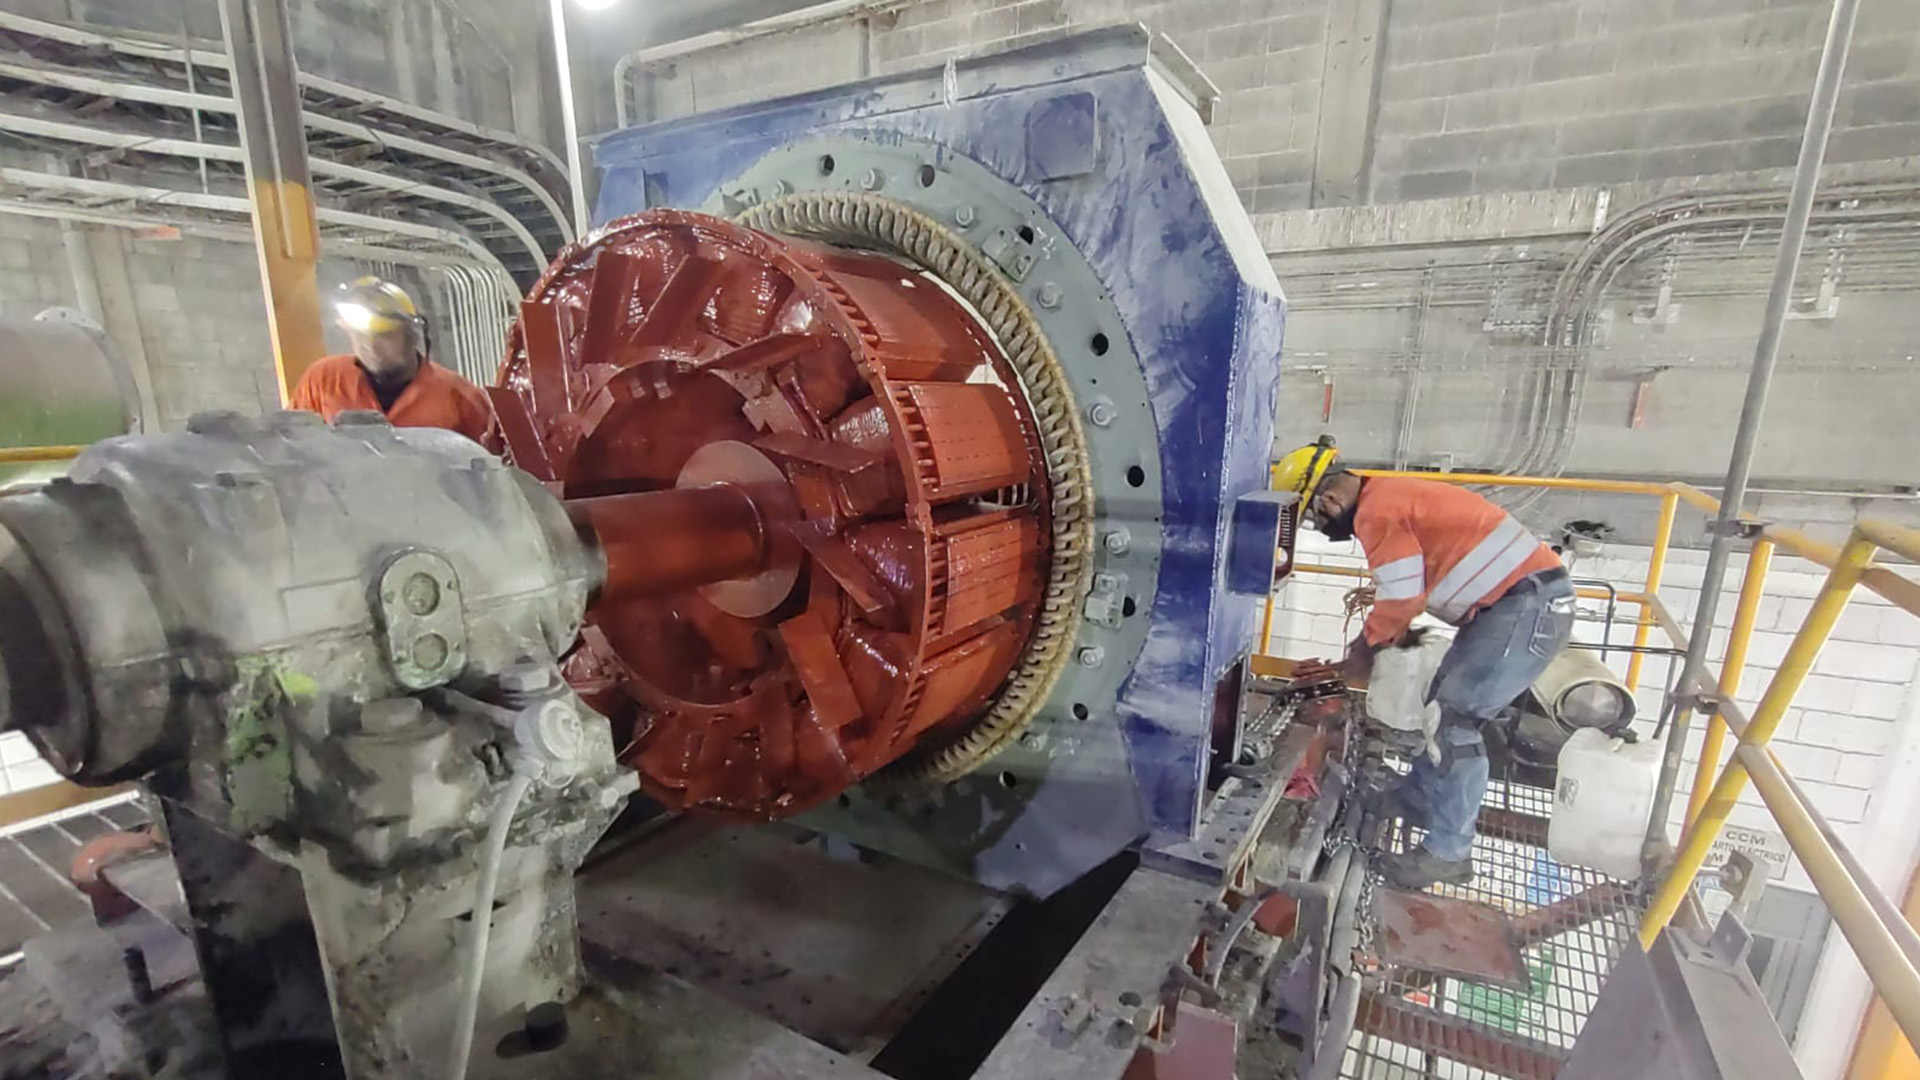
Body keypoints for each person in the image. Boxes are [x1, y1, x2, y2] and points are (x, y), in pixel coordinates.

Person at [1272, 435, 1575, 890]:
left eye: (1315, 516)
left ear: (1329, 498)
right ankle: (1418, 796)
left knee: (1455, 723)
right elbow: (1411, 587)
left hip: (1525, 607)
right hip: (1511, 606)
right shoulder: (1388, 495)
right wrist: (1388, 632)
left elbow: (1400, 595)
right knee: (1440, 705)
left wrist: (1357, 658)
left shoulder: (1378, 511)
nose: (1322, 526)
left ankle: (1448, 854)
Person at [290, 276, 493, 441]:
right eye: (359, 335)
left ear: (410, 337)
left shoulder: (458, 395)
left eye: (385, 336)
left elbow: (493, 468)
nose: (370, 345)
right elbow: (294, 445)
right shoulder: (323, 380)